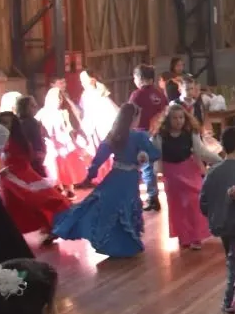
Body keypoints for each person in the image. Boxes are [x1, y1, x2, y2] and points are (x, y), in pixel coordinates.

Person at [53, 104, 161, 259]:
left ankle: (111, 242)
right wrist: (144, 154)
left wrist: (91, 173)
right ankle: (124, 244)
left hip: (115, 176)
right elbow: (154, 154)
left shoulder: (114, 135)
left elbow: (100, 156)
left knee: (103, 205)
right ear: (134, 118)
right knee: (125, 207)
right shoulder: (139, 136)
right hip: (129, 178)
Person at [0, 109, 69, 240]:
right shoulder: (2, 139)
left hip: (21, 177)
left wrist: (8, 172)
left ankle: (52, 227)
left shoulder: (16, 141)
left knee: (36, 202)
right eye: (0, 122)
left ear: (13, 125)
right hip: (10, 179)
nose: (2, 125)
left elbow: (22, 162)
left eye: (6, 123)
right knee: (16, 207)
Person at [202, 126, 235, 314]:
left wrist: (214, 214)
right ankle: (230, 301)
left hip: (219, 223)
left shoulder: (213, 171)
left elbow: (203, 201)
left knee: (232, 260)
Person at [155, 102, 219, 250]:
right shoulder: (160, 136)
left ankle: (196, 236)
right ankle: (184, 236)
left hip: (189, 170)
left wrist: (219, 160)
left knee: (194, 203)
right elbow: (154, 154)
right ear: (168, 120)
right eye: (175, 118)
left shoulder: (191, 133)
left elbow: (201, 151)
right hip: (171, 173)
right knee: (177, 206)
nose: (178, 121)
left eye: (181, 117)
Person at [130, 64, 167, 211]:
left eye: (135, 77)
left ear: (140, 78)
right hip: (160, 134)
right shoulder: (160, 94)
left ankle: (152, 198)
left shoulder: (137, 95)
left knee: (146, 167)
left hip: (143, 134)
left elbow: (130, 114)